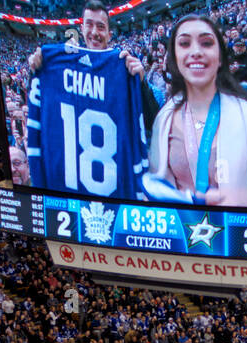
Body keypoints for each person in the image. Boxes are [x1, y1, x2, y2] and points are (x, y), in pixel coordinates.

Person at [145, 13, 247, 207]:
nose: (196, 51)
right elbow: (154, 184)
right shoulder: (164, 119)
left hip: (245, 233)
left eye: (206, 43)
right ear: (174, 58)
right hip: (183, 231)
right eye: (184, 44)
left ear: (221, 58)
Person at [25, 1, 158, 198]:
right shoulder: (54, 65)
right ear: (82, 29)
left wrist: (141, 84)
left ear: (110, 34)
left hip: (115, 190)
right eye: (89, 24)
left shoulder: (125, 66)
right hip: (71, 193)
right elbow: (40, 108)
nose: (94, 32)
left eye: (101, 27)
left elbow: (153, 122)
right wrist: (36, 71)